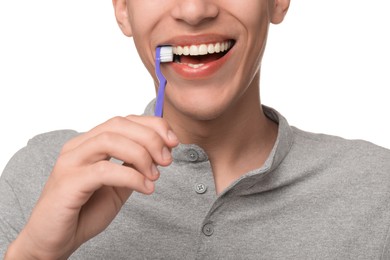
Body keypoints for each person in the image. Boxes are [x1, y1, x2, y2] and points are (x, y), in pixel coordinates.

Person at [1, 0, 390, 259]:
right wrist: (33, 254)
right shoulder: (40, 177)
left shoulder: (379, 192)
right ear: (123, 9)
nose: (193, 10)